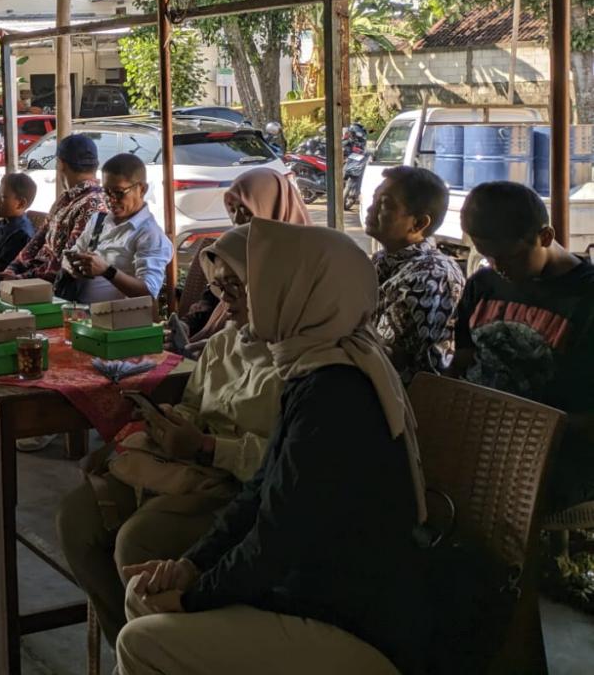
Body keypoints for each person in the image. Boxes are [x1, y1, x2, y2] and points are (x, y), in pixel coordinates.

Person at [116, 220, 428, 675]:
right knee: (145, 595)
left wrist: (194, 595)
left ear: (293, 290)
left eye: (242, 287)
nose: (228, 303)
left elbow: (281, 535)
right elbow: (260, 494)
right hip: (306, 590)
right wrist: (190, 567)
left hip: (349, 619)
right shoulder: (311, 368)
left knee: (142, 639)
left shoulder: (337, 392)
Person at [57, 225, 281, 646]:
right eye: (220, 287)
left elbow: (284, 463)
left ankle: (163, 652)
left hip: (241, 492)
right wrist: (168, 423)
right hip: (191, 470)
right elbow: (195, 405)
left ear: (273, 285)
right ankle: (128, 645)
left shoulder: (300, 364)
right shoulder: (225, 343)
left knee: (138, 543)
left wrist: (208, 447)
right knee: (77, 517)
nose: (224, 299)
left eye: (236, 286)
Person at [452, 181, 594, 511]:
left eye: (509, 257)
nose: (497, 267)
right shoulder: (484, 284)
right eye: (487, 256)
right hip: (481, 439)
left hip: (559, 455)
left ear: (545, 237)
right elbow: (461, 361)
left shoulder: (586, 297)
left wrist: (526, 426)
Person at [175, 167, 310, 354]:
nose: (237, 219)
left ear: (272, 206)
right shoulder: (238, 248)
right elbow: (212, 298)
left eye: (246, 211)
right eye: (232, 210)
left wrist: (232, 348)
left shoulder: (303, 264)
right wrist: (187, 324)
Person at [364, 166, 464, 383]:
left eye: (385, 205)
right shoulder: (381, 261)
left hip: (407, 395)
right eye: (374, 200)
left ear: (418, 223)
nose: (371, 209)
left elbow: (384, 354)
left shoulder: (431, 276)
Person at [62, 153, 172, 303]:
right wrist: (71, 266)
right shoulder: (98, 220)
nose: (111, 199)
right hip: (77, 308)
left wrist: (107, 271)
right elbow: (72, 254)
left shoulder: (150, 235)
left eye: (119, 193)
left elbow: (149, 293)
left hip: (117, 316)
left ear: (142, 189)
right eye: (106, 192)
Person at [1, 133, 105, 284]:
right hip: (32, 279)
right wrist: (12, 269)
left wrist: (19, 279)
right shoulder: (65, 198)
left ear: (61, 164)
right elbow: (37, 240)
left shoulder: (93, 205)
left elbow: (66, 263)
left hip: (52, 286)